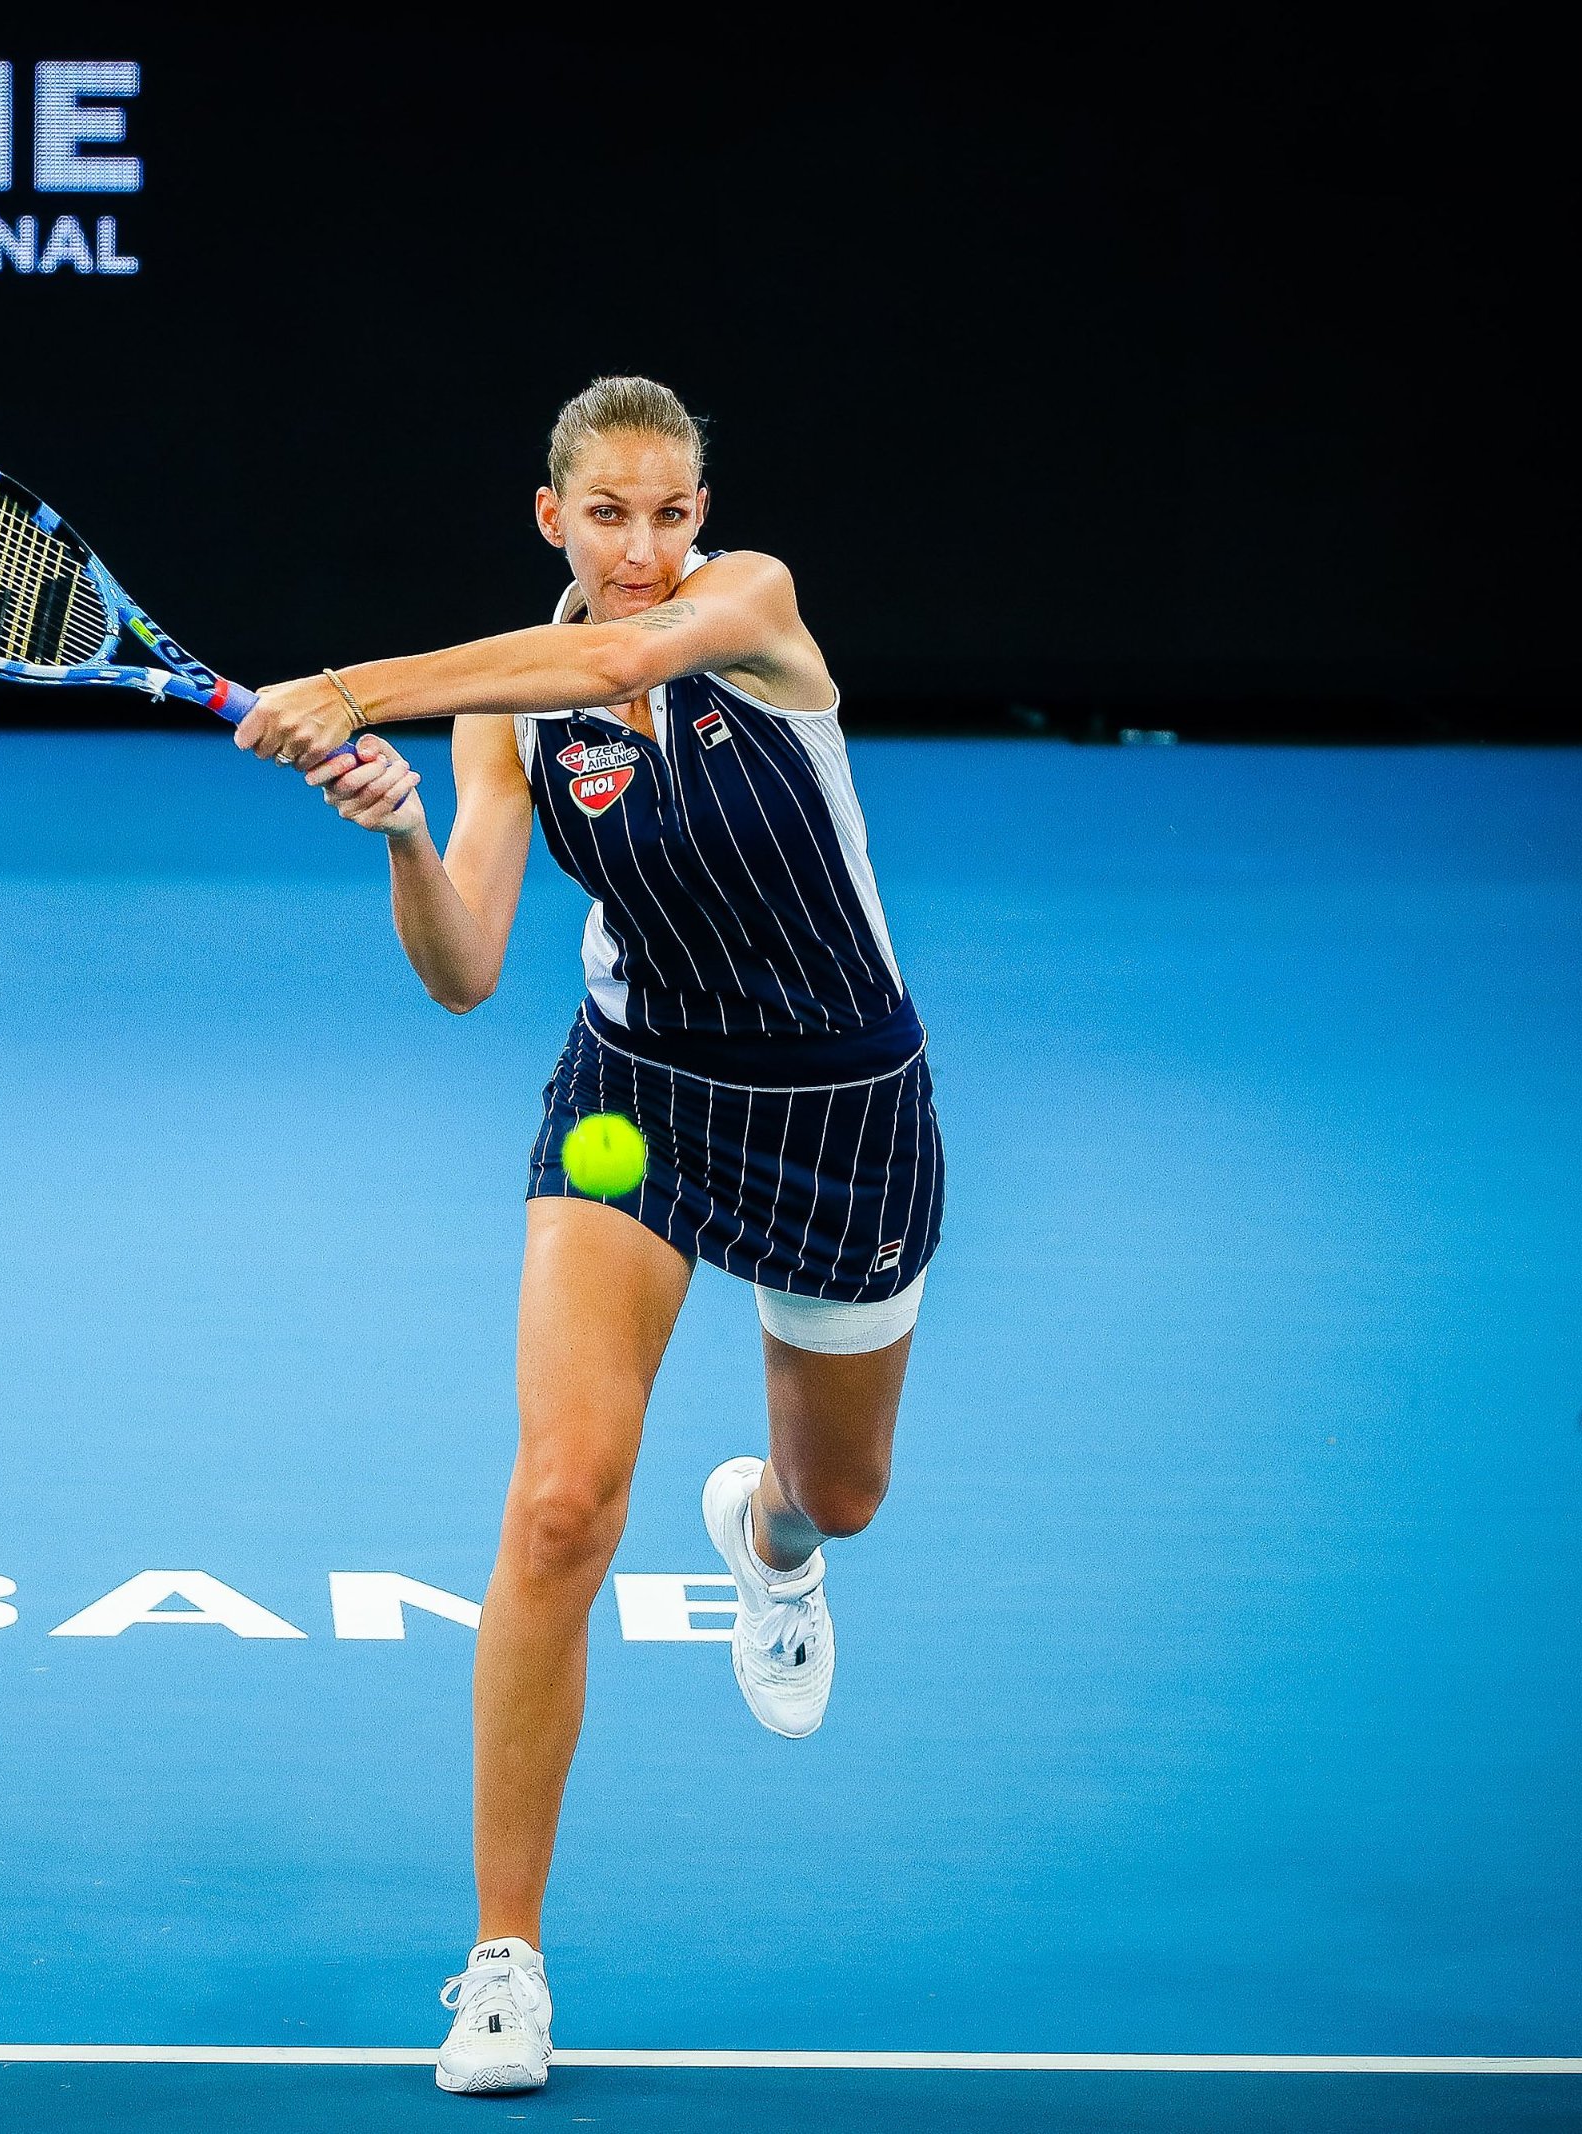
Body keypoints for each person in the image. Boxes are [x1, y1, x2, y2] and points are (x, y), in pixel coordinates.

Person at [235, 376, 943, 2098]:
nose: (645, 549)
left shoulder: (751, 610)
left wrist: (346, 687)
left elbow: (620, 666)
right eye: (609, 514)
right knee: (558, 1502)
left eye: (670, 512)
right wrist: (404, 825)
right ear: (549, 516)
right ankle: (503, 1961)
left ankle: (768, 1538)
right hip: (635, 1102)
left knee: (841, 1488)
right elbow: (471, 963)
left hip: (843, 1110)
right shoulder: (505, 720)